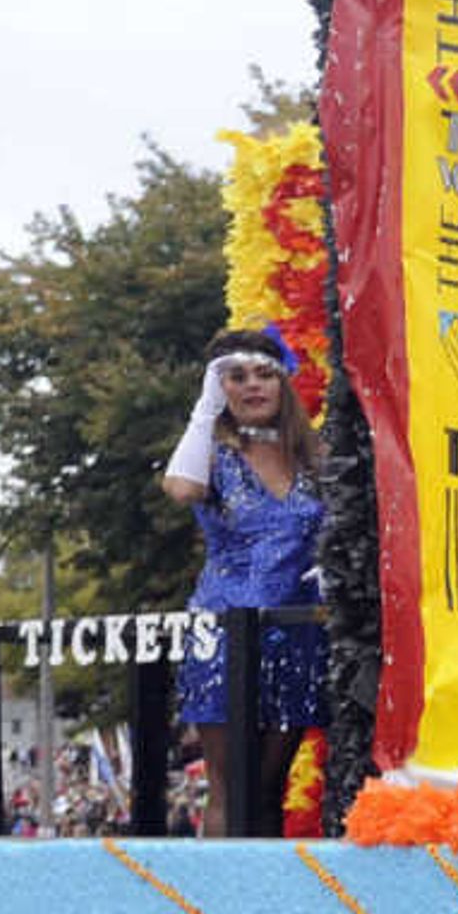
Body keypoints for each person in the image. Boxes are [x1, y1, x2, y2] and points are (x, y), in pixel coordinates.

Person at [162, 328, 330, 836]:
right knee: (228, 785)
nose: (253, 386)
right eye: (237, 377)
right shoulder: (213, 452)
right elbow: (182, 488)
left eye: (264, 374)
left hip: (295, 632)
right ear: (220, 387)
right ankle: (213, 907)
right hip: (225, 634)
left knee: (271, 785)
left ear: (283, 383)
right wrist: (205, 409)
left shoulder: (311, 457)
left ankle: (267, 911)